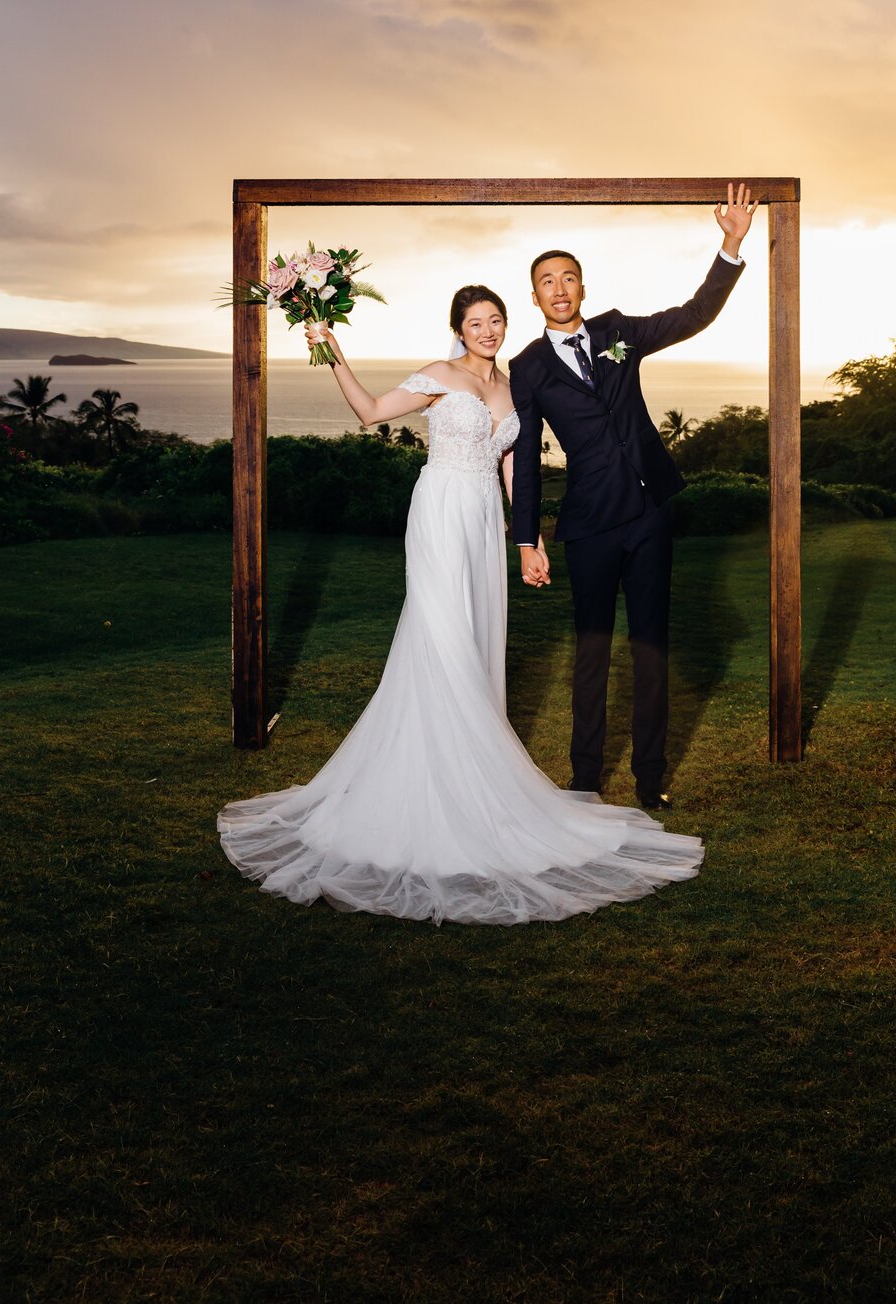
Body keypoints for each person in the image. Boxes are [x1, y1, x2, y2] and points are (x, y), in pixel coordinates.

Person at [218, 284, 706, 925]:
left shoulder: (512, 387)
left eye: (496, 319)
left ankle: (478, 778)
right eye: (476, 321)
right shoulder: (438, 376)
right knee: (441, 634)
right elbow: (370, 412)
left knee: (476, 641)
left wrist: (527, 540)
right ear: (457, 327)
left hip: (483, 523)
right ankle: (441, 783)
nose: (488, 329)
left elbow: (512, 467)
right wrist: (333, 351)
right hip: (441, 511)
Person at [509, 182, 756, 808]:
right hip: (589, 528)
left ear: (582, 289)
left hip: (648, 516)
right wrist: (525, 537)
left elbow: (692, 315)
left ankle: (650, 780)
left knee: (651, 648)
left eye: (569, 278)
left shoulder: (618, 332)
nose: (560, 288)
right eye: (547, 280)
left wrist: (729, 246)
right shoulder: (529, 368)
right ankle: (586, 779)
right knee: (590, 654)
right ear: (534, 295)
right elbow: (529, 458)